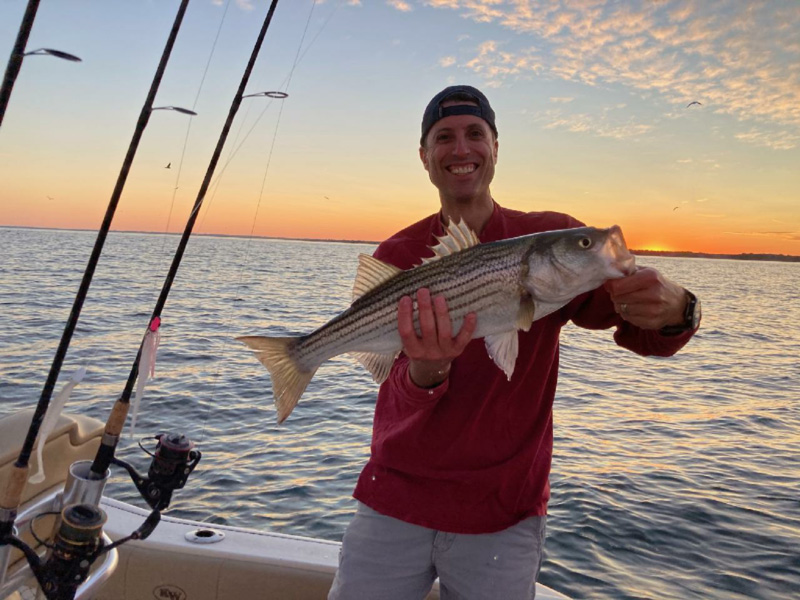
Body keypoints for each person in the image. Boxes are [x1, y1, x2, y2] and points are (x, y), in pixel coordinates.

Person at [328, 85, 700, 600]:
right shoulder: (399, 251)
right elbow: (392, 387)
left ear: (496, 148)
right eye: (444, 138)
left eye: (475, 134)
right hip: (396, 497)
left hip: (503, 509)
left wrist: (681, 309)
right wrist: (427, 372)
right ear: (425, 157)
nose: (461, 149)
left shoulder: (553, 236)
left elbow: (645, 336)